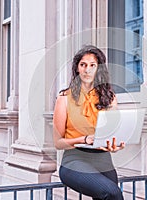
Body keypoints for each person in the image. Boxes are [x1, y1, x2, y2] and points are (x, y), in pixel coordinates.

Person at [53, 45, 125, 200]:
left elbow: (112, 133)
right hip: (74, 160)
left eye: (93, 65)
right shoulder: (64, 98)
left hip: (103, 160)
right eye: (83, 65)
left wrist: (115, 146)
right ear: (77, 68)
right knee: (113, 193)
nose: (87, 70)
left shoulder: (110, 98)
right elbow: (58, 143)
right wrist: (84, 139)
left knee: (112, 196)